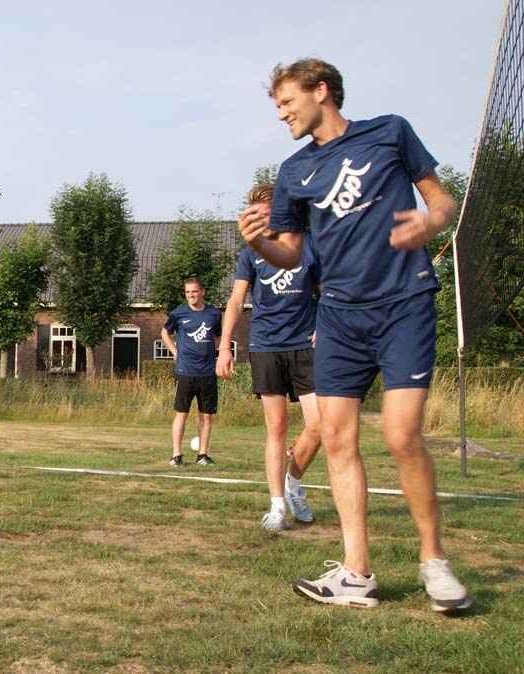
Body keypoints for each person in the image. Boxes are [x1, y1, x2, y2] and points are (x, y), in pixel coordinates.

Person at [239, 58, 469, 611]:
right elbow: (291, 254)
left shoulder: (390, 132)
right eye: (277, 107)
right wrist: (258, 244)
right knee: (337, 438)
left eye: (287, 102)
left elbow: (442, 201)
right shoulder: (294, 171)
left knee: (401, 436)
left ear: (321, 91)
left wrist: (431, 222)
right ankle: (356, 573)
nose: (281, 114)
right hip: (338, 317)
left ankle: (434, 563)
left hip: (405, 303)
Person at [218, 183, 323, 531]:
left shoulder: (309, 245)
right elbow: (236, 300)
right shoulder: (251, 252)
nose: (260, 221)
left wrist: (326, 324)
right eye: (255, 215)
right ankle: (277, 506)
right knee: (276, 426)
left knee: (320, 425)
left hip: (305, 344)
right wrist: (225, 346)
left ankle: (293, 482)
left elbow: (328, 293)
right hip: (266, 345)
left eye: (265, 214)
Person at [161, 277, 223, 466]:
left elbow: (218, 336)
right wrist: (175, 353)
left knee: (206, 415)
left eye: (194, 291)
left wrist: (210, 352)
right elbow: (165, 332)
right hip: (185, 372)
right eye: (188, 292)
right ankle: (176, 456)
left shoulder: (213, 314)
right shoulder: (178, 313)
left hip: (207, 372)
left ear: (202, 292)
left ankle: (202, 455)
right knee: (182, 413)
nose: (191, 295)